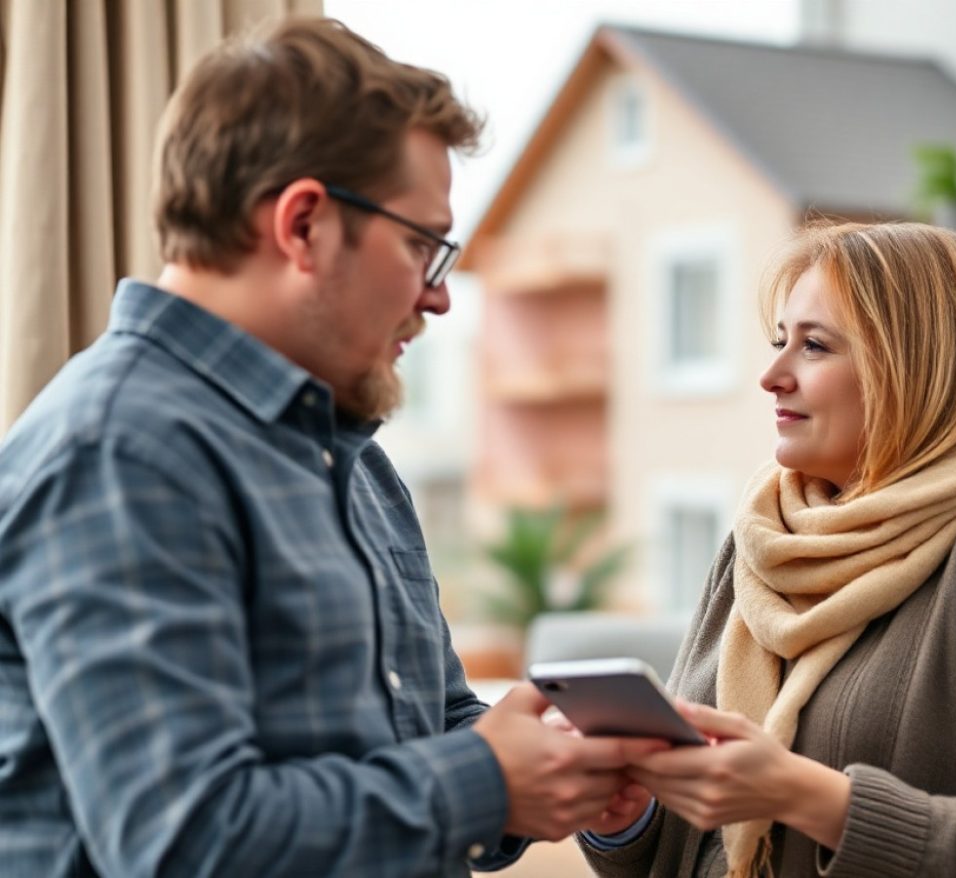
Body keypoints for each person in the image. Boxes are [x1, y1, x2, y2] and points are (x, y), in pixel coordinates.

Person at [0, 17, 660, 878]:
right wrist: (485, 781)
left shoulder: (352, 457)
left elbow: (427, 731)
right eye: (422, 244)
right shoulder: (121, 451)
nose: (440, 299)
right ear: (304, 223)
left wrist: (554, 764)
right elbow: (187, 843)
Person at [579, 221, 956, 877]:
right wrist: (630, 815)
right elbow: (702, 850)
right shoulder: (763, 538)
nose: (771, 376)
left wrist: (805, 796)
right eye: (780, 341)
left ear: (916, 367)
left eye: (814, 346)